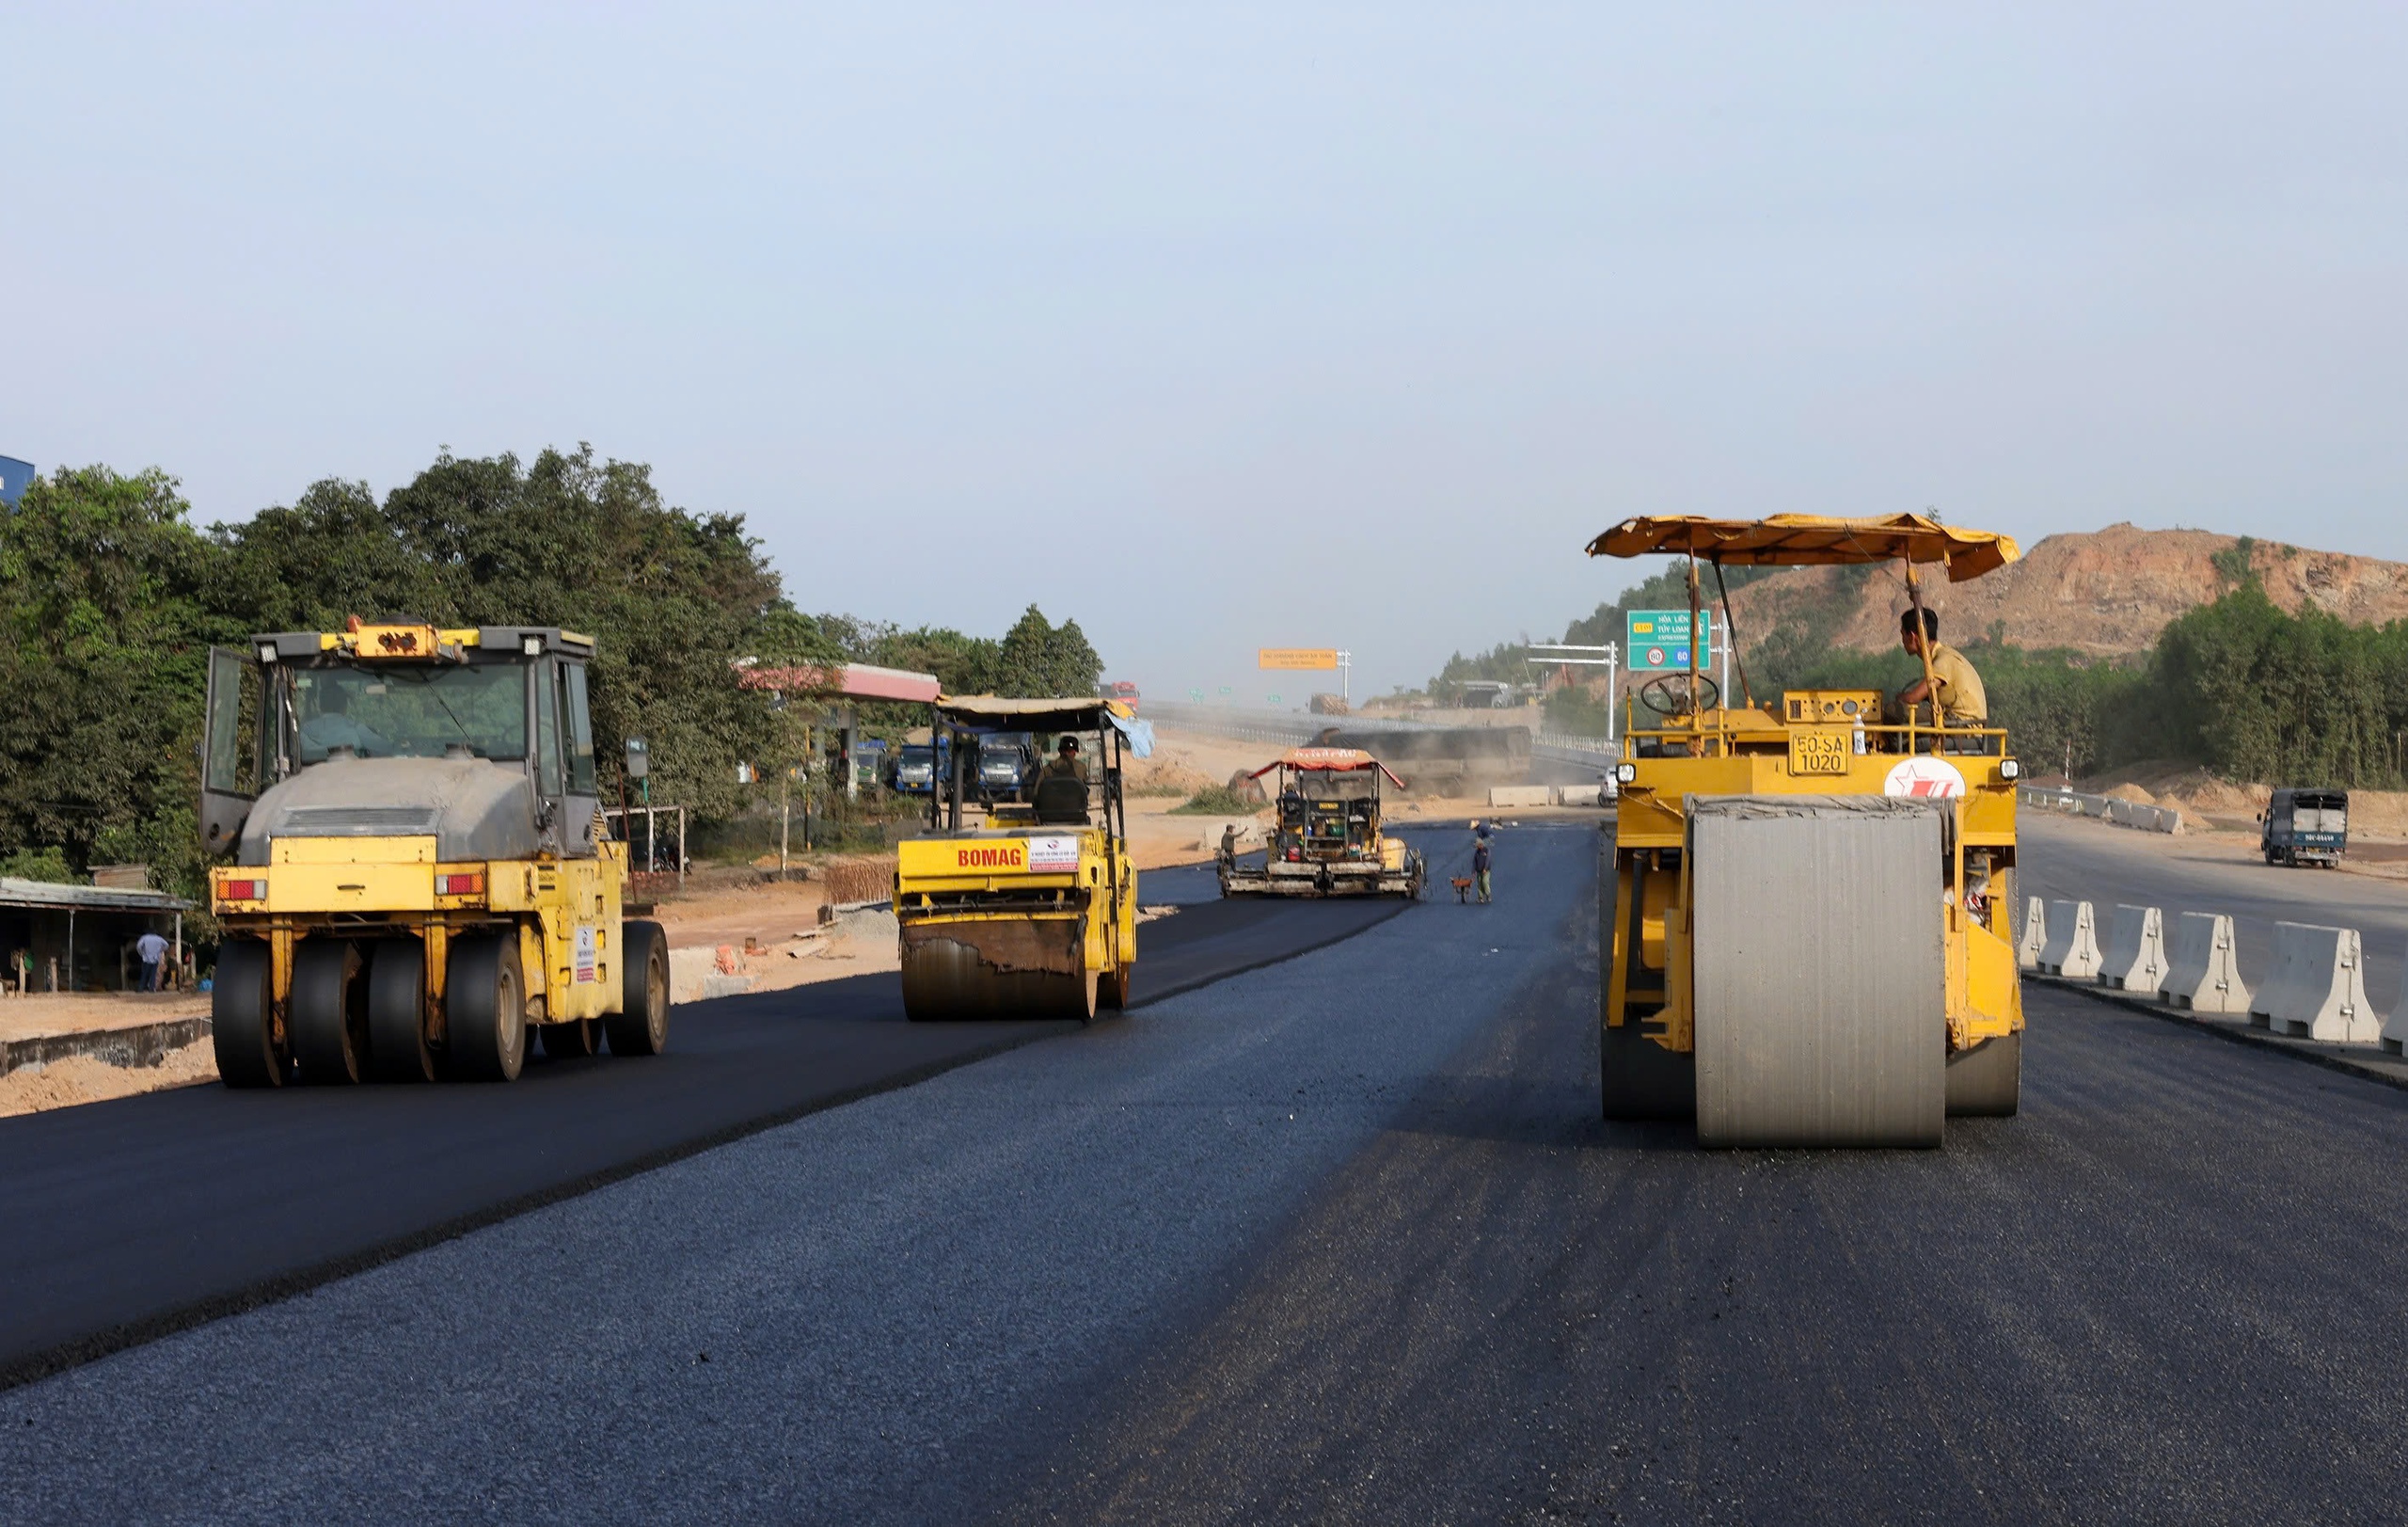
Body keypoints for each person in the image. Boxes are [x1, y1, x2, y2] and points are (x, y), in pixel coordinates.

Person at [1895, 609, 1988, 729]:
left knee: (1893, 711)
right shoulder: (1945, 656)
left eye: (1903, 635)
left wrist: (1899, 698)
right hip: (1959, 722)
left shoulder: (1943, 660)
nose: (1902, 641)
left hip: (1961, 724)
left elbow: (1913, 698)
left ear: (1913, 637)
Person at [300, 682, 390, 757]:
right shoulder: (355, 728)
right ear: (344, 706)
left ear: (320, 706)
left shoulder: (306, 729)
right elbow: (384, 747)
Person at [134, 929, 170, 993]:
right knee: (153, 974)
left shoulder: (144, 937)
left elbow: (139, 946)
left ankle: (141, 988)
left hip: (146, 958)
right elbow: (167, 945)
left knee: (145, 973)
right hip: (155, 958)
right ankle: (152, 988)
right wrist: (161, 950)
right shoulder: (159, 938)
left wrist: (141, 953)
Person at [1472, 835, 1493, 904]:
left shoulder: (1487, 851)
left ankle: (1488, 894)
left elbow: (1488, 860)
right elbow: (1474, 861)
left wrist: (1485, 868)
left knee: (1485, 882)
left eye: (1477, 845)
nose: (1477, 847)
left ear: (1480, 844)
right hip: (1479, 870)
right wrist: (1473, 870)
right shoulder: (1477, 852)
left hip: (1486, 871)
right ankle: (1480, 898)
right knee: (1479, 884)